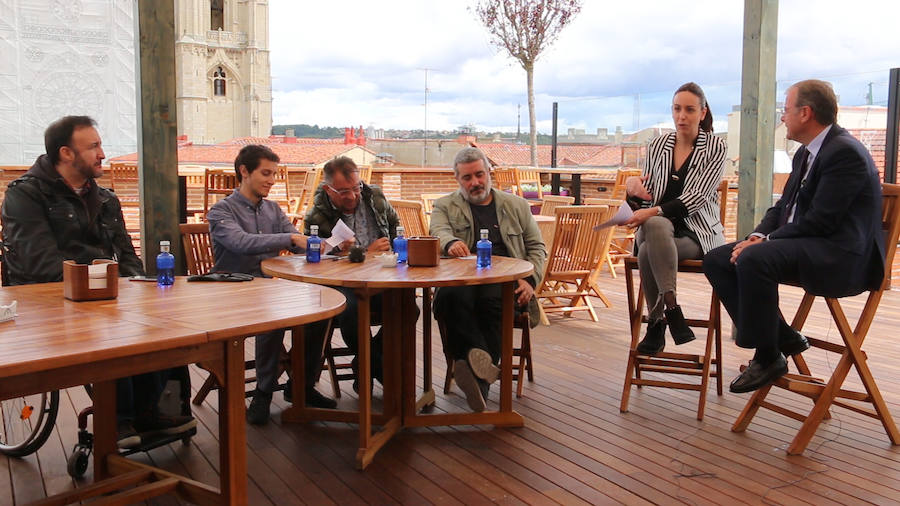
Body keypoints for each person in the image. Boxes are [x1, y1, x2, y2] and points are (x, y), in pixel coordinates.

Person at [0, 115, 195, 448]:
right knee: (115, 327)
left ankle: (156, 410)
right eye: (93, 147)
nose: (102, 153)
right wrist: (109, 287)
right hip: (44, 302)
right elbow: (42, 265)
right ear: (65, 153)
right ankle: (120, 419)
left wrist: (142, 287)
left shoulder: (105, 198)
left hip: (103, 294)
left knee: (165, 318)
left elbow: (127, 256)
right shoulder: (25, 195)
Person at [704, 79, 884, 393]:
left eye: (785, 110)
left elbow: (821, 222)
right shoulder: (805, 154)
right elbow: (783, 210)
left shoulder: (846, 154)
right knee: (717, 259)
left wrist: (765, 243)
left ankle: (767, 353)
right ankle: (781, 339)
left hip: (839, 256)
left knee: (753, 258)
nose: (782, 117)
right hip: (808, 244)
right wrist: (759, 234)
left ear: (805, 113)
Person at [207, 144, 337, 425]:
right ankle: (264, 392)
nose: (271, 180)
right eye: (266, 173)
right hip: (230, 291)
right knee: (274, 315)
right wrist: (289, 240)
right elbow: (241, 243)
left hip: (269, 287)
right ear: (244, 171)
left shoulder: (273, 210)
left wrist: (329, 247)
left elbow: (298, 242)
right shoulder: (221, 211)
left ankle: (301, 386)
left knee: (320, 311)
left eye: (274, 174)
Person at [429, 147, 546, 412]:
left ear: (488, 173)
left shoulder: (516, 205)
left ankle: (474, 377)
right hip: (464, 282)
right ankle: (482, 376)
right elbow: (438, 230)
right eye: (467, 178)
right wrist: (450, 243)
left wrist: (531, 280)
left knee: (494, 302)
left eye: (479, 175)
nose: (475, 183)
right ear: (457, 179)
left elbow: (537, 248)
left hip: (507, 283)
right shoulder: (445, 206)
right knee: (447, 298)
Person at [623, 82, 727, 355]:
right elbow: (646, 199)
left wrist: (653, 211)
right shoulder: (657, 145)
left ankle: (657, 323)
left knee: (648, 246)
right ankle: (672, 309)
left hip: (695, 233)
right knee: (655, 227)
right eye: (677, 109)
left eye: (690, 110)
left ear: (702, 113)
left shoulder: (715, 147)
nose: (682, 116)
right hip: (656, 231)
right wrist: (632, 191)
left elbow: (697, 197)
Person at [303, 156, 403, 391]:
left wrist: (394, 245)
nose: (352, 196)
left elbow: (396, 225)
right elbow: (312, 259)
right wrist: (360, 253)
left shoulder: (374, 196)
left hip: (381, 276)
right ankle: (378, 368)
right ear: (328, 190)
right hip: (341, 284)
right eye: (344, 192)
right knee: (351, 308)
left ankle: (365, 365)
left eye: (355, 188)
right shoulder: (317, 216)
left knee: (408, 307)